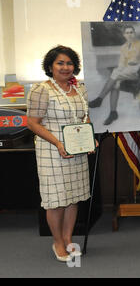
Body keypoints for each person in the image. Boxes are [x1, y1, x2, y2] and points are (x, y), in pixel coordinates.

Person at [27, 45, 96, 262]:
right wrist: (58, 142)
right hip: (51, 150)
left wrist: (89, 136)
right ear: (50, 66)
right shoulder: (42, 90)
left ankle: (68, 238)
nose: (66, 67)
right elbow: (32, 123)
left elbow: (86, 117)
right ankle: (57, 242)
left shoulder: (81, 89)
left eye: (69, 63)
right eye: (60, 63)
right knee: (56, 199)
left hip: (76, 149)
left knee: (72, 197)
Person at [89, 25, 140, 125]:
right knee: (115, 82)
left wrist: (137, 67)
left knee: (115, 74)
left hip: (138, 73)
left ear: (134, 33)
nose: (129, 34)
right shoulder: (123, 47)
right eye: (127, 33)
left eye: (131, 32)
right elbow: (121, 63)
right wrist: (120, 68)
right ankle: (113, 112)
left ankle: (100, 99)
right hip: (125, 73)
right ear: (124, 35)